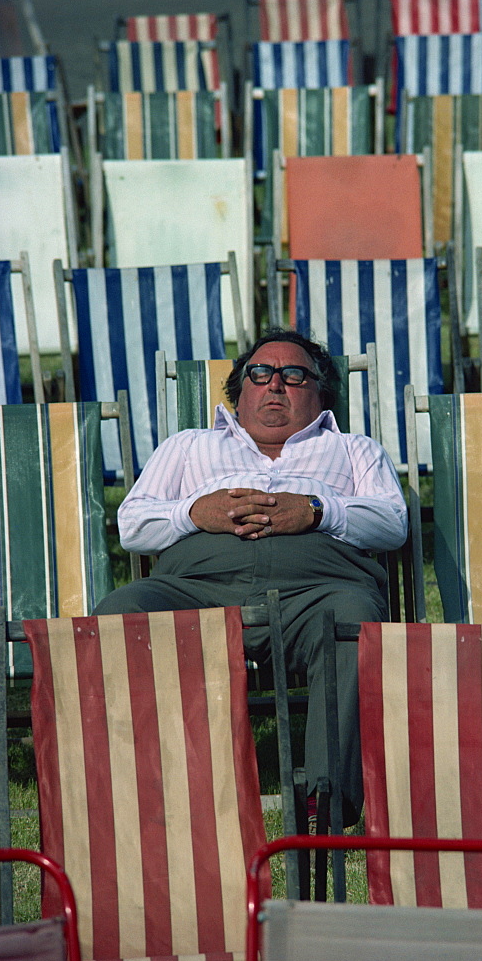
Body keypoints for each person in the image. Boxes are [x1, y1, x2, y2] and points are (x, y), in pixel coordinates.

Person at [94, 328, 407, 826]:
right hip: (198, 587)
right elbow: (132, 524)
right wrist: (196, 513)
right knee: (120, 613)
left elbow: (392, 522)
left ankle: (326, 796)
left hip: (317, 590)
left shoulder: (353, 449)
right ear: (239, 392)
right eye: (260, 373)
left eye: (294, 374)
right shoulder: (189, 446)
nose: (275, 384)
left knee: (353, 621)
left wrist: (316, 510)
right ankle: (152, 790)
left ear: (320, 393)